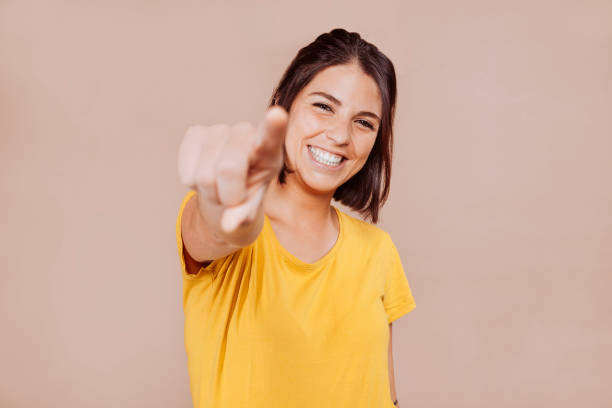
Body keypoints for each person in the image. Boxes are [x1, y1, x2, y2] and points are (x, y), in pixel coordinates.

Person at [175, 28, 416, 408]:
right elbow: (214, 231)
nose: (340, 135)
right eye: (324, 106)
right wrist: (224, 209)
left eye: (364, 122)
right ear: (283, 105)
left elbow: (385, 395)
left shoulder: (378, 251)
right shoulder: (228, 229)